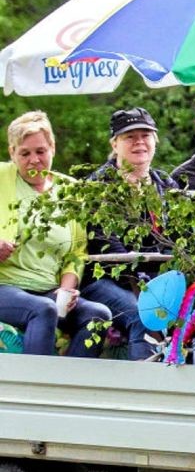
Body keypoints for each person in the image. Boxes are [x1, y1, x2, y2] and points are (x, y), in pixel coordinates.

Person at [0, 111, 112, 357]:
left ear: (52, 148)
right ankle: (36, 391)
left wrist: (66, 290)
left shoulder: (70, 190)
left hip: (48, 290)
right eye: (24, 153)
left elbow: (76, 251)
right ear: (12, 153)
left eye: (40, 151)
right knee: (44, 309)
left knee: (98, 316)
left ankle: (72, 390)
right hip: (5, 287)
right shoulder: (2, 177)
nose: (34, 160)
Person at [84, 107, 178, 361]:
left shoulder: (165, 184)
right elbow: (107, 246)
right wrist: (147, 284)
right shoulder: (99, 186)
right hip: (105, 280)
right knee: (143, 314)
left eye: (145, 135)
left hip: (157, 278)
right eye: (129, 136)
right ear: (114, 144)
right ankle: (146, 392)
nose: (139, 142)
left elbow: (179, 237)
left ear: (155, 141)